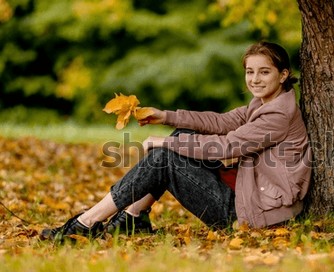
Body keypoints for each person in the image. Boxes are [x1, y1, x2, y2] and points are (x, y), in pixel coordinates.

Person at [40, 41, 312, 242]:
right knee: (182, 136)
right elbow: (220, 122)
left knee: (164, 155)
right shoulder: (264, 103)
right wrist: (165, 116)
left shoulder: (278, 113)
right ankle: (132, 218)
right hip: (249, 196)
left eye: (264, 72)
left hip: (253, 214)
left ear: (283, 74)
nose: (254, 79)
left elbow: (225, 147)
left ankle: (87, 222)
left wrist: (164, 143)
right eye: (250, 72)